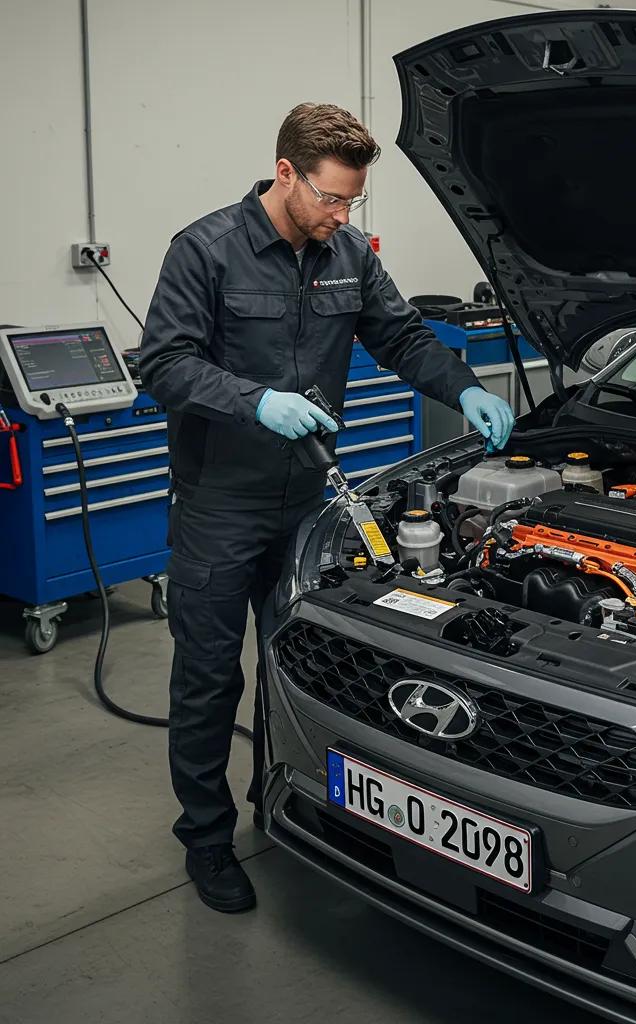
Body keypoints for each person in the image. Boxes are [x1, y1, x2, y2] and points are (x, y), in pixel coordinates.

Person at [139, 102, 514, 913]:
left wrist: (466, 387)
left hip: (307, 506)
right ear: (286, 174)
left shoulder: (344, 253)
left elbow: (403, 336)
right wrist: (254, 401)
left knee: (300, 665)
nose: (343, 216)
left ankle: (284, 800)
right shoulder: (204, 249)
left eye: (353, 202)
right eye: (332, 198)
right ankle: (206, 839)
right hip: (220, 504)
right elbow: (163, 365)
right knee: (208, 679)